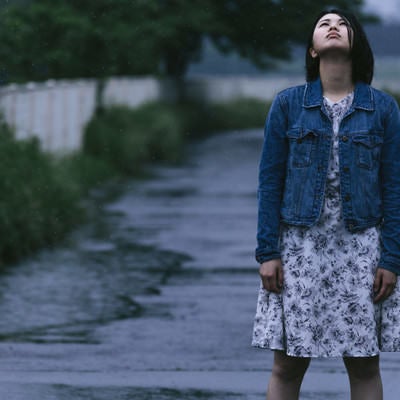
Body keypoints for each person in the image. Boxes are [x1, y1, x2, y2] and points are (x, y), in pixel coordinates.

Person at [252, 8, 400, 400]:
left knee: (365, 362)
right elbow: (270, 182)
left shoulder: (383, 109)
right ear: (313, 50)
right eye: (323, 24)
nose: (332, 27)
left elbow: (395, 186)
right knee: (287, 362)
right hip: (299, 248)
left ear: (357, 44)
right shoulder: (288, 105)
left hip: (362, 247)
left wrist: (391, 258)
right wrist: (267, 252)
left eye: (342, 23)